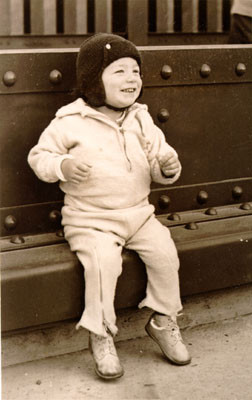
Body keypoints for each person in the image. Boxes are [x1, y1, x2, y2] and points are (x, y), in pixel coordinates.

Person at [28, 33, 191, 380]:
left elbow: (158, 157)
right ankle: (100, 333)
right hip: (91, 219)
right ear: (94, 80)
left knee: (165, 255)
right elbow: (39, 156)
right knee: (102, 266)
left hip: (138, 214)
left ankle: (163, 321)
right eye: (120, 71)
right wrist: (63, 166)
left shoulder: (141, 118)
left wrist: (166, 168)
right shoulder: (69, 121)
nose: (132, 78)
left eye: (136, 71)